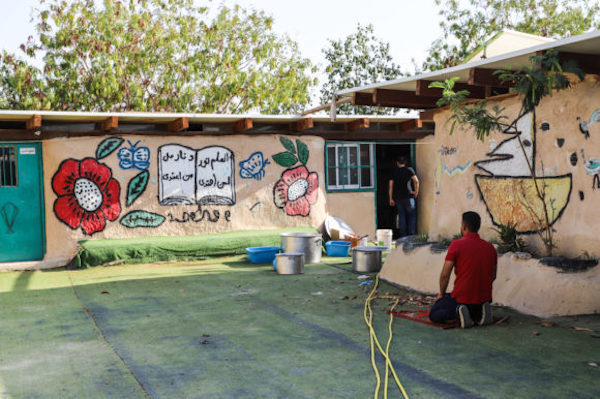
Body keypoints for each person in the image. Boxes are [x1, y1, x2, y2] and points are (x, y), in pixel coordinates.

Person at [429, 211, 497, 328]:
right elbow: (493, 276)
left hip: (462, 298)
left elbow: (445, 275)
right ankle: (479, 312)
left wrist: (441, 294)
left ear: (464, 226)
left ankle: (458, 313)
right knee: (472, 303)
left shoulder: (456, 245)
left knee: (435, 312)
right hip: (484, 298)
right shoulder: (490, 247)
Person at [388, 156, 419, 237]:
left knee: (402, 216)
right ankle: (411, 235)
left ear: (397, 163)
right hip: (408, 196)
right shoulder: (409, 170)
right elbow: (416, 181)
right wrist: (416, 191)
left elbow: (391, 186)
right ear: (405, 163)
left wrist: (391, 198)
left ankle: (403, 236)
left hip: (398, 198)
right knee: (412, 215)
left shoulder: (394, 172)